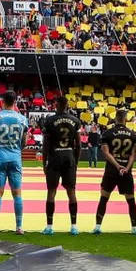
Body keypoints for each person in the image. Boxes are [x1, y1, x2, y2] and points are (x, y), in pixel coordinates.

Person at [0, 91, 29, 235]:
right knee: (17, 192)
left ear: (2, 101)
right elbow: (24, 142)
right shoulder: (22, 119)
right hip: (15, 157)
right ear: (15, 102)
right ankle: (19, 227)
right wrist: (16, 150)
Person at [38, 96, 83, 235]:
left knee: (51, 191)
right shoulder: (76, 121)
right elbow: (79, 146)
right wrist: (75, 162)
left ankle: (49, 227)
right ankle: (74, 226)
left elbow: (46, 145)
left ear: (56, 105)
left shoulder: (49, 121)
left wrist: (44, 162)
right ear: (67, 105)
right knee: (71, 192)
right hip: (69, 157)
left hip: (54, 157)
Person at [93, 109, 136, 234]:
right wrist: (126, 168)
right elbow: (133, 156)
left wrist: (117, 165)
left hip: (111, 171)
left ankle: (97, 226)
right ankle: (134, 228)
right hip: (126, 171)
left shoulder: (108, 133)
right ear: (125, 119)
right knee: (130, 200)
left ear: (116, 118)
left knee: (104, 198)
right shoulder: (133, 134)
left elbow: (106, 152)